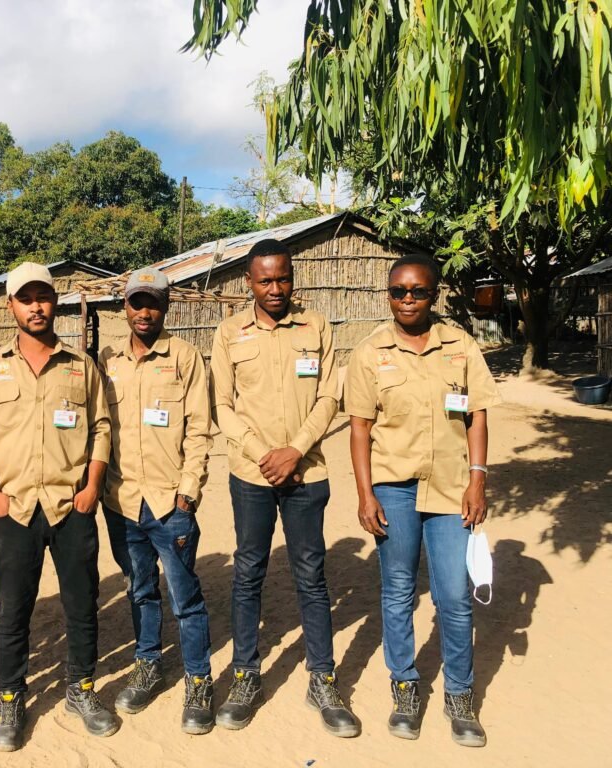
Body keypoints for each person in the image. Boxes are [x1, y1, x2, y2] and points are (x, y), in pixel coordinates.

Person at [343, 253, 499, 747]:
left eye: (418, 291)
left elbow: (477, 416)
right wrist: (366, 494)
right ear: (388, 295)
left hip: (452, 487)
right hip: (393, 486)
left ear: (434, 294)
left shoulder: (461, 347)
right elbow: (360, 429)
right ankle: (405, 688)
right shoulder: (370, 353)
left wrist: (477, 479)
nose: (407, 299)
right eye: (398, 292)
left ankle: (459, 695)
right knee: (398, 591)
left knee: (454, 596)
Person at [0, 262, 117, 751]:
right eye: (25, 298)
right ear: (10, 305)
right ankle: (11, 698)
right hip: (16, 509)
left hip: (71, 505)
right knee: (13, 609)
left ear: (55, 303)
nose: (36, 306)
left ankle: (81, 689)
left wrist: (92, 487)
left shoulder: (80, 365)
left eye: (43, 297)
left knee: (81, 603)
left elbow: (100, 428)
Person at [208, 238, 358, 737]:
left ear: (294, 277)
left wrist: (294, 448)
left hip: (306, 473)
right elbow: (222, 405)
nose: (276, 288)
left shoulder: (315, 327)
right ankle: (247, 676)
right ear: (248, 283)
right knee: (248, 571)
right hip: (251, 477)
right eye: (265, 280)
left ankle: (323, 679)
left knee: (311, 576)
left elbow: (330, 394)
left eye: (283, 278)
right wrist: (261, 453)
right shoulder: (229, 333)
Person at [100, 267, 215, 734]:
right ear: (124, 308)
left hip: (171, 502)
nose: (144, 312)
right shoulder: (106, 360)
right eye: (136, 303)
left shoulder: (185, 358)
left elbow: (201, 429)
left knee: (186, 596)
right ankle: (148, 663)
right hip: (122, 501)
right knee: (140, 589)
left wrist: (188, 493)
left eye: (153, 303)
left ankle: (200, 681)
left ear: (167, 307)